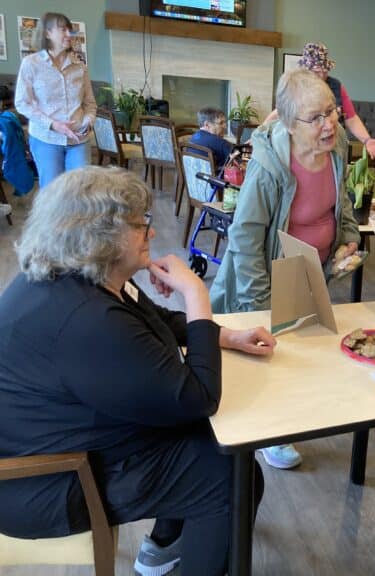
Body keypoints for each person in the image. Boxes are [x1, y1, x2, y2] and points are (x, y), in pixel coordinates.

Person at [0, 166, 276, 576]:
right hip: (48, 479)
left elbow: (153, 320)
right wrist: (196, 293)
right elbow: (199, 397)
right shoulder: (85, 319)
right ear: (103, 236)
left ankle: (162, 548)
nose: (150, 231)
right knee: (231, 476)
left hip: (59, 437)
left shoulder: (75, 275)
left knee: (207, 443)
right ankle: (179, 552)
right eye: (139, 223)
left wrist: (225, 338)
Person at [210, 69, 360, 471]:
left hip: (312, 269)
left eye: (331, 111)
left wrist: (347, 235)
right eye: (316, 117)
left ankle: (288, 425)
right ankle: (270, 435)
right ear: (290, 125)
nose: (329, 123)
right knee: (271, 356)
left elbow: (340, 198)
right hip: (268, 269)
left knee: (304, 352)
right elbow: (244, 237)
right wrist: (257, 303)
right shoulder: (270, 166)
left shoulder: (338, 145)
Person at [14, 12, 96, 189]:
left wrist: (88, 122)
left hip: (78, 141)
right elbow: (22, 103)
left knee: (82, 191)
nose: (69, 34)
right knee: (52, 194)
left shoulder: (80, 66)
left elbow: (90, 103)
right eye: (63, 30)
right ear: (47, 33)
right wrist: (53, 124)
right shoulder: (31, 63)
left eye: (70, 30)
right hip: (46, 138)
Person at [264, 42, 375, 159]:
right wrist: (260, 136)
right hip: (304, 152)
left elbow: (351, 118)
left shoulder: (336, 86)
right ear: (306, 70)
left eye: (325, 70)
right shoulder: (297, 89)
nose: (322, 75)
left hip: (333, 148)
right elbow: (279, 113)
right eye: (317, 71)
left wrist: (367, 140)